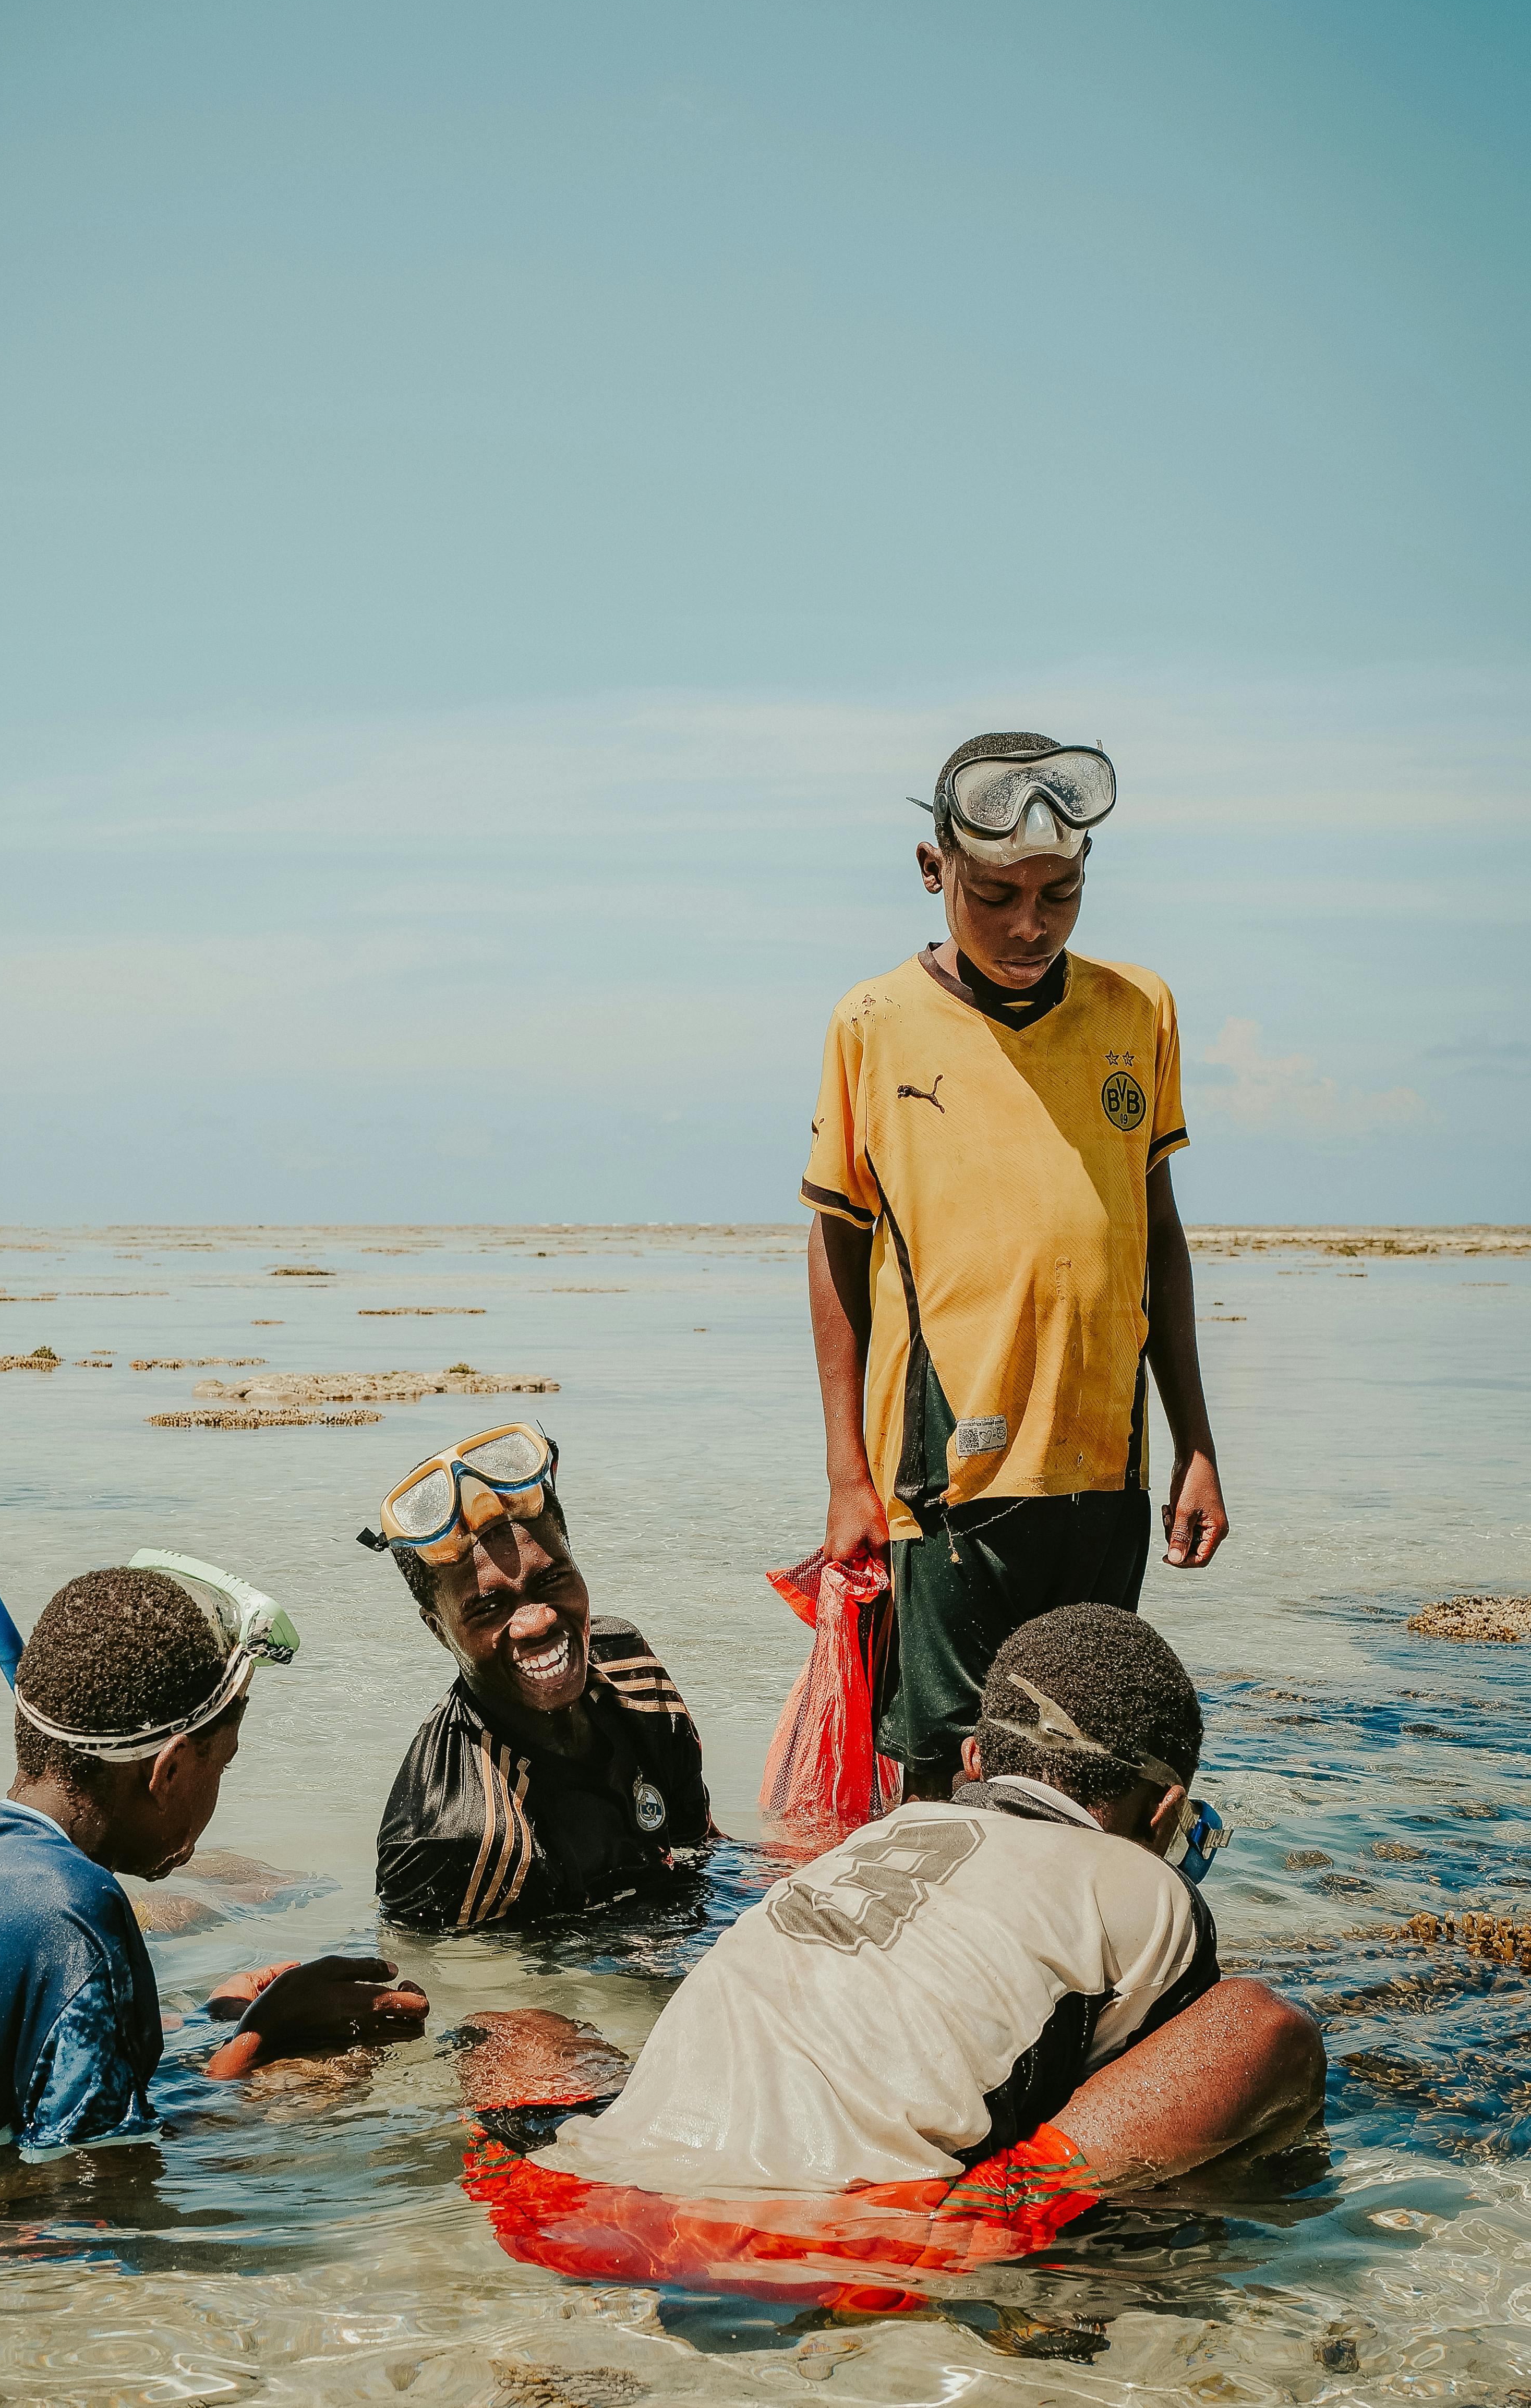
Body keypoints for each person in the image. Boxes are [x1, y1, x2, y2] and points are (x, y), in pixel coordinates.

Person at [461, 1606, 1322, 2307]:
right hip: (829, 2240)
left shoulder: (873, 1837)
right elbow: (1214, 2058)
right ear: (1165, 1811)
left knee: (522, 2021)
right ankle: (1001, 2210)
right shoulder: (1141, 1885)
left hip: (567, 2199)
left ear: (973, 1761)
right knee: (1261, 2025)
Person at [802, 732, 1229, 1799]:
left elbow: (1156, 1233)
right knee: (942, 1780)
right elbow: (836, 1244)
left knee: (1092, 1767)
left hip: (1103, 1469)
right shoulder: (873, 1021)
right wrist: (847, 1475)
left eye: (1061, 892)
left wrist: (1196, 1445)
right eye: (995, 892)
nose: (1029, 923)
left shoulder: (1139, 1010)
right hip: (944, 1483)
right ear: (932, 866)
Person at [0, 1560, 426, 2155]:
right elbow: (99, 2176)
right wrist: (265, 2041)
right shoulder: (76, 1909)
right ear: (167, 1770)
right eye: (221, 1761)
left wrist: (212, 2020)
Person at [369, 1426, 711, 1931]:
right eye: (488, 1607)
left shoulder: (630, 1666)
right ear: (439, 1630)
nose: (538, 1621)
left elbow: (702, 1852)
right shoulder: (451, 1832)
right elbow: (459, 1992)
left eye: (551, 1579)